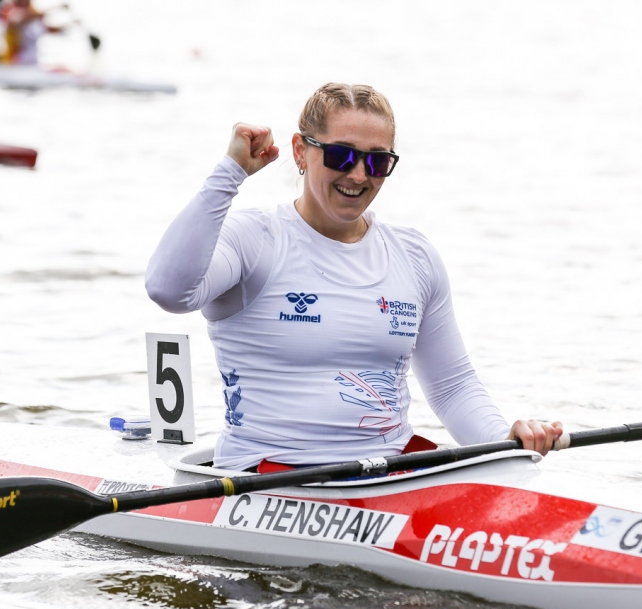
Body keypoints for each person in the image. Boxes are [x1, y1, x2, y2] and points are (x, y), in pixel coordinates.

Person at [145, 83, 563, 472]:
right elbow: (169, 291)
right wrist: (230, 172)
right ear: (300, 151)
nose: (360, 175)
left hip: (390, 473)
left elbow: (452, 387)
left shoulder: (415, 256)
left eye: (378, 161)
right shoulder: (253, 239)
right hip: (267, 478)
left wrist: (504, 440)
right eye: (341, 155)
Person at [0, 0, 66, 65]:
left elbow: (48, 29)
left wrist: (68, 25)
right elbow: (18, 20)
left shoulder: (35, 19)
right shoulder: (10, 11)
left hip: (34, 63)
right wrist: (56, 8)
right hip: (15, 63)